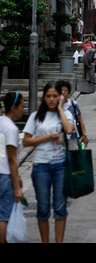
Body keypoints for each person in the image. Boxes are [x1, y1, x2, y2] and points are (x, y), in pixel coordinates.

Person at [23, 83, 74, 243]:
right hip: (41, 167)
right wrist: (46, 138)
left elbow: (69, 130)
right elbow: (26, 141)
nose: (51, 99)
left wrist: (60, 109)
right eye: (48, 96)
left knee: (60, 207)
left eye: (54, 96)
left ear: (60, 97)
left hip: (61, 166)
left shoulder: (65, 114)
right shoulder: (36, 116)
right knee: (43, 208)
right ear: (44, 98)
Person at [0, 92, 24, 243]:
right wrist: (17, 186)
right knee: (4, 217)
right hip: (5, 175)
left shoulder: (1, 121)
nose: (23, 109)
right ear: (14, 108)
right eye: (21, 106)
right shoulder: (11, 129)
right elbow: (12, 159)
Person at [55, 80, 88, 149]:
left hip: (73, 137)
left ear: (68, 92)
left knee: (74, 156)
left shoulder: (73, 104)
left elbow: (80, 119)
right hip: (58, 137)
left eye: (65, 90)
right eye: (61, 90)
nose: (63, 92)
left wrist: (84, 135)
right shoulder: (54, 105)